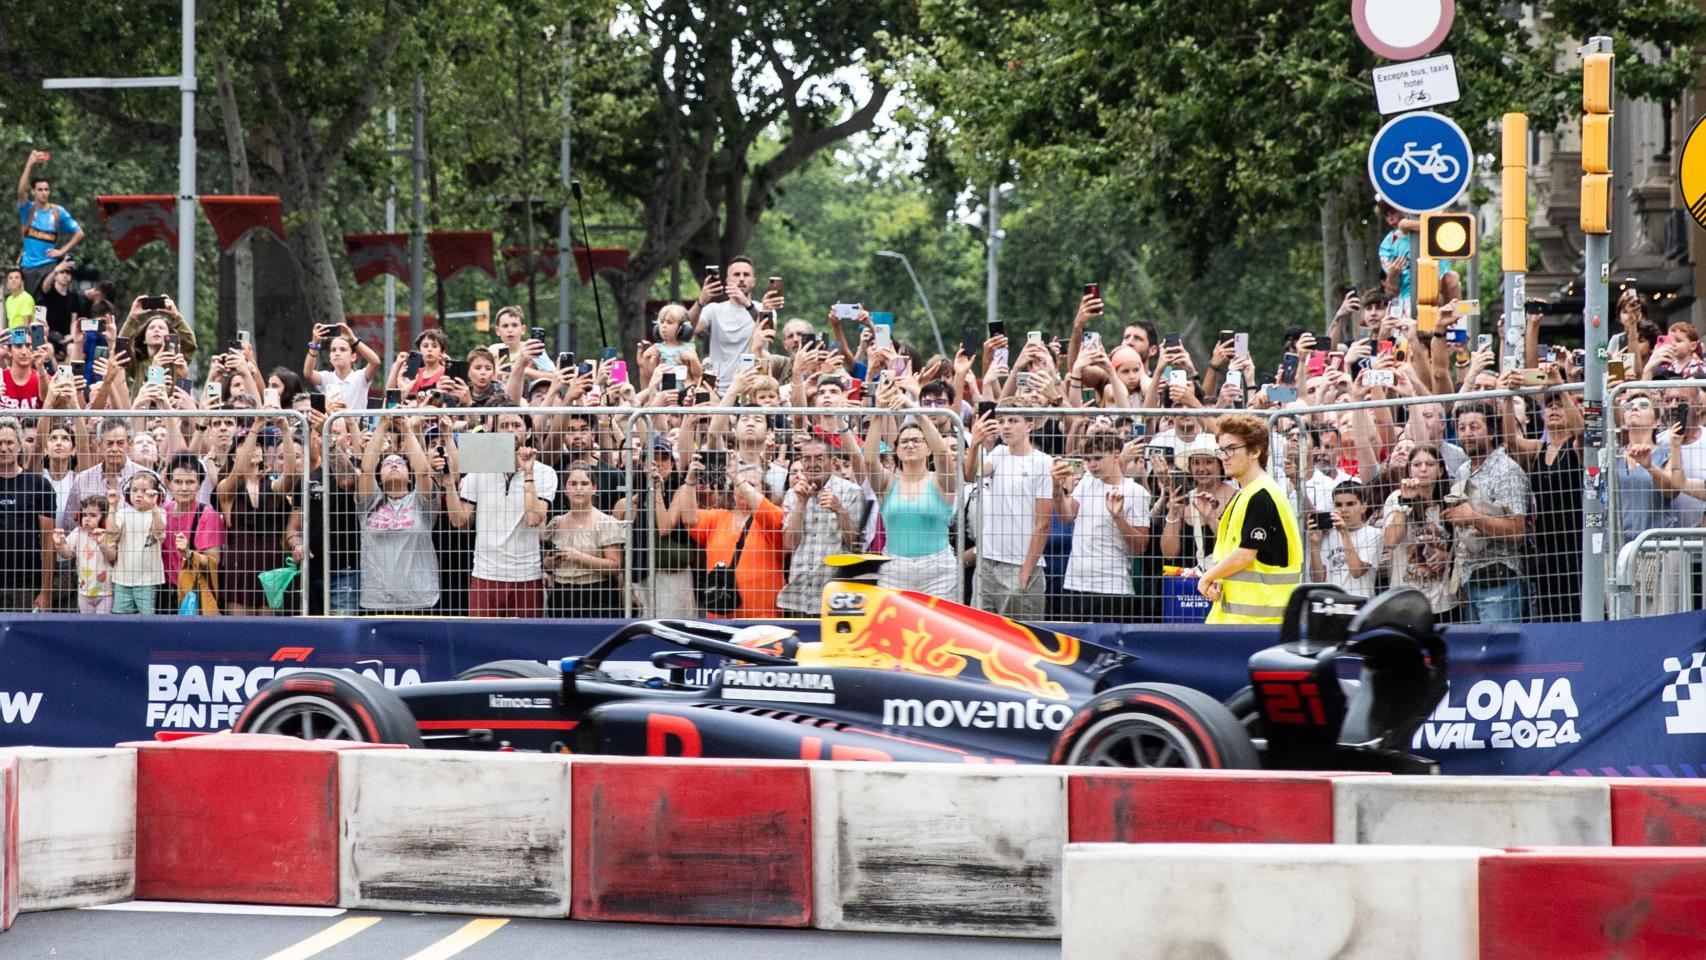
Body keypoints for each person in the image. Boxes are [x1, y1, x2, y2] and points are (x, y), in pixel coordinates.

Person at [445, 411, 556, 618]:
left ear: (529, 431)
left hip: (526, 575)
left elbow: (533, 519)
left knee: (524, 645)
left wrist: (528, 473)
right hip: (485, 574)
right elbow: (459, 520)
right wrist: (448, 481)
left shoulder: (546, 473)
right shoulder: (479, 469)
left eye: (516, 424)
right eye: (504, 425)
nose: (510, 430)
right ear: (495, 432)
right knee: (482, 644)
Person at [1198, 413, 1301, 623]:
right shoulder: (1246, 494)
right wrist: (1219, 576)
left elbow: (1246, 555)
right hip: (1242, 623)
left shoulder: (1261, 495)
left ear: (1255, 451)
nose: (1224, 456)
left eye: (1232, 449)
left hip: (1257, 626)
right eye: (1222, 449)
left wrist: (1207, 577)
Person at [862, 380, 958, 596]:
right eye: (903, 442)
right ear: (896, 451)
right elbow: (869, 461)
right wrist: (879, 410)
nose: (910, 445)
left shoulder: (941, 481)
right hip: (894, 570)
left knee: (937, 627)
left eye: (916, 440)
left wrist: (915, 411)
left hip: (939, 571)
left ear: (928, 449)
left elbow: (943, 453)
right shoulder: (887, 483)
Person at [965, 400, 1053, 619]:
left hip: (1019, 563)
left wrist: (1026, 571)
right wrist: (975, 443)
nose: (1006, 427)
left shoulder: (1042, 463)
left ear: (1029, 425)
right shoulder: (998, 454)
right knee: (982, 634)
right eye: (1002, 421)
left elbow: (1043, 523)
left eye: (1013, 421)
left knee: (1021, 640)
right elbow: (970, 475)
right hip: (987, 562)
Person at [1446, 400, 1531, 624]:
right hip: (1469, 581)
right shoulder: (1463, 470)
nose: (1467, 434)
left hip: (1498, 581)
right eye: (1462, 428)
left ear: (1492, 432)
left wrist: (1473, 517)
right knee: (1478, 658)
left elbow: (1516, 531)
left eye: (1475, 427)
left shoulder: (1507, 471)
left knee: (1500, 655)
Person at [1053, 427, 1151, 620]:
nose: (1091, 465)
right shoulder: (1088, 481)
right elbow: (1066, 518)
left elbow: (1140, 546)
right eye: (1087, 459)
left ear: (1116, 454)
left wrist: (1118, 517)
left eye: (1097, 458)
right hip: (1075, 584)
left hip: (1113, 586)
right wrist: (1057, 490)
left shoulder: (1136, 492)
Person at [679, 460, 785, 619]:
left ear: (763, 490)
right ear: (732, 491)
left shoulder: (771, 518)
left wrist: (736, 476)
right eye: (739, 485)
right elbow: (689, 519)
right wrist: (690, 482)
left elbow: (764, 508)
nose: (743, 488)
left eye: (751, 484)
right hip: (720, 616)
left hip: (762, 617)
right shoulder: (718, 517)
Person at [357, 415, 440, 613]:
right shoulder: (370, 502)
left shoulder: (420, 502)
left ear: (409, 476)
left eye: (400, 463)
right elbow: (366, 469)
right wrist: (383, 424)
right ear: (380, 476)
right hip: (376, 601)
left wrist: (406, 428)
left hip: (420, 600)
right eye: (387, 464)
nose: (393, 465)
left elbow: (423, 471)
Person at [776, 434, 865, 615]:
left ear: (832, 462)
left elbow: (856, 545)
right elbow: (789, 544)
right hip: (797, 596)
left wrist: (839, 510)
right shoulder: (793, 494)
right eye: (807, 459)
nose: (812, 464)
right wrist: (801, 504)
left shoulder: (851, 492)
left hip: (835, 597)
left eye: (819, 458)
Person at [1381, 443, 1458, 617]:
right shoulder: (1395, 499)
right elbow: (1391, 541)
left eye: (1430, 464)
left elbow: (1461, 546)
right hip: (1405, 602)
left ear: (1440, 470)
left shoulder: (1451, 501)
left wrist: (1448, 557)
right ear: (1409, 470)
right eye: (1416, 465)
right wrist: (1405, 502)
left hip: (1443, 603)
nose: (1423, 469)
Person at [543, 467, 625, 617]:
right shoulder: (556, 523)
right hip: (562, 595)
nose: (578, 488)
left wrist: (577, 556)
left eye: (585, 483)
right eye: (573, 484)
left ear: (594, 488)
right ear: (565, 489)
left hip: (597, 595)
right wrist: (550, 563)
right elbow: (546, 565)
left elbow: (616, 565)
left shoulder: (605, 522)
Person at [688, 256, 785, 382]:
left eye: (746, 274)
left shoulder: (765, 309)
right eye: (736, 274)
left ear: (754, 281)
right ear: (728, 281)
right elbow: (688, 329)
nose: (741, 279)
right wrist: (701, 301)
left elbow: (768, 330)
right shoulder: (714, 310)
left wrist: (747, 305)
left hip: (753, 386)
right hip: (719, 388)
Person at [0, 417, 55, 611]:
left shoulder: (39, 485)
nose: (4, 448)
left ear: (19, 446)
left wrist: (46, 592)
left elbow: (49, 542)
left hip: (26, 583)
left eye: (9, 442)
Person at [15, 151, 85, 290]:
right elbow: (21, 192)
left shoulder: (57, 211)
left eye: (46, 189)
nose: (44, 193)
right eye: (40, 190)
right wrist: (29, 164)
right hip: (28, 267)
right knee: (30, 307)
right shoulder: (28, 209)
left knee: (47, 306)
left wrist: (62, 251)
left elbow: (79, 233)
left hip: (49, 266)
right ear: (33, 191)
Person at [162, 451, 226, 600]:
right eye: (178, 482)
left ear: (199, 484)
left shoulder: (208, 515)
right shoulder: (162, 513)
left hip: (195, 593)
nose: (184, 488)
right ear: (169, 483)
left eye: (190, 482)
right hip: (164, 591)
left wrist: (188, 554)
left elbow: (213, 561)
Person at [1307, 480, 1383, 598]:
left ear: (1364, 506)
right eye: (1338, 505)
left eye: (1350, 504)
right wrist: (1315, 545)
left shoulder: (1373, 534)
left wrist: (1344, 533)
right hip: (1331, 604)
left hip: (1359, 604)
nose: (1343, 510)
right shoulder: (1328, 534)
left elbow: (1357, 571)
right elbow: (1318, 580)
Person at [107, 470, 166, 614]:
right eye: (134, 490)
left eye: (145, 491)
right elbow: (111, 530)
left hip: (147, 580)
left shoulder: (159, 513)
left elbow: (159, 530)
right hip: (122, 579)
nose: (138, 494)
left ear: (155, 494)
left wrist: (154, 507)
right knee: (120, 619)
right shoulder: (123, 513)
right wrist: (112, 507)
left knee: (147, 619)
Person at [55, 494, 116, 614]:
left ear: (104, 518)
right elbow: (67, 554)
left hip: (105, 592)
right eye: (84, 515)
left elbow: (112, 556)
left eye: (92, 515)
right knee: (87, 624)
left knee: (102, 625)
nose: (87, 519)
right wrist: (60, 545)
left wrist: (102, 544)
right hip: (83, 592)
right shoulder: (78, 532)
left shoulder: (108, 534)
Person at [304, 322, 380, 410]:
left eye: (343, 350)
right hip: (331, 423)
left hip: (355, 424)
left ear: (353, 357)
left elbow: (375, 362)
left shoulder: (360, 377)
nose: (337, 353)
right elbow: (308, 373)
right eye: (333, 350)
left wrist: (354, 340)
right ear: (330, 357)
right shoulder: (326, 377)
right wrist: (314, 345)